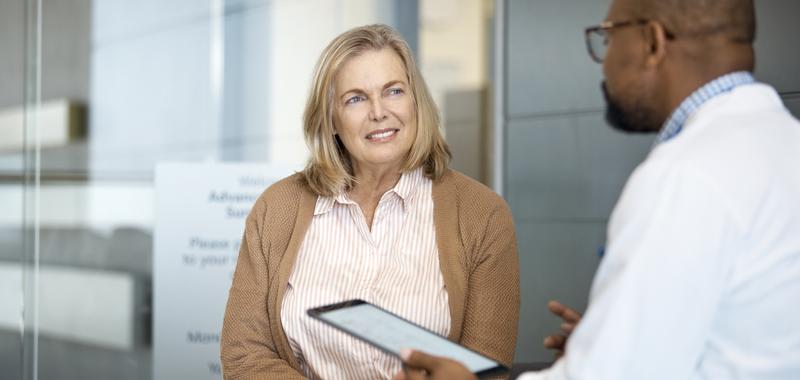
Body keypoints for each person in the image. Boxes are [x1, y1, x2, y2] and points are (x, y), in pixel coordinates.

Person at [394, 0, 800, 378]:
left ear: (651, 43)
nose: (603, 64)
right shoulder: (784, 142)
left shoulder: (684, 175)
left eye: (607, 37)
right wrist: (604, 337)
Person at [220, 24, 520, 379]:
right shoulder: (277, 208)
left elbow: (485, 369)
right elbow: (244, 355)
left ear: (416, 102)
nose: (378, 112)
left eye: (393, 91)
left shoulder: (481, 214)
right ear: (331, 118)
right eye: (356, 98)